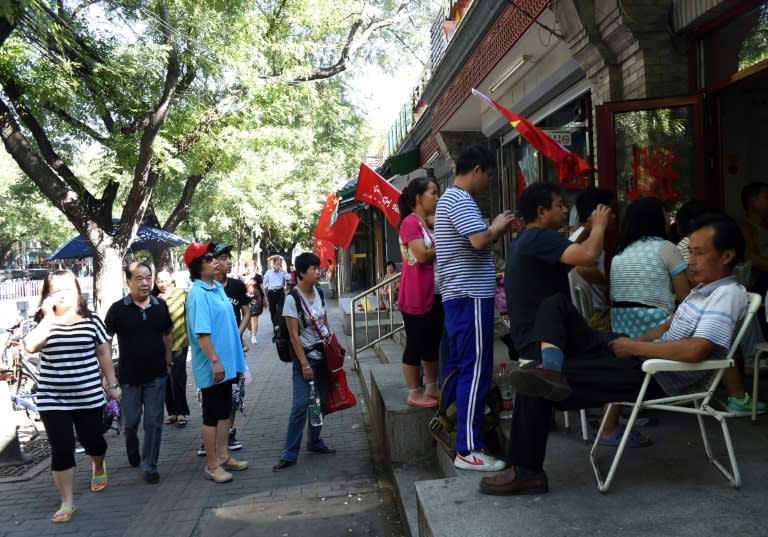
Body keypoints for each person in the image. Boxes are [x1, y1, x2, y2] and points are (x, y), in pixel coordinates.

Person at [480, 213, 749, 495]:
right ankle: (552, 367)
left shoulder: (727, 294)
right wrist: (629, 342)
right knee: (555, 303)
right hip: (641, 358)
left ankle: (527, 471)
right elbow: (666, 326)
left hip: (655, 376)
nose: (691, 260)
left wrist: (636, 348)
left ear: (727, 255)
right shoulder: (701, 291)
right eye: (690, 252)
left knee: (531, 380)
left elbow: (697, 349)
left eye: (700, 253)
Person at [505, 183, 630, 445]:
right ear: (541, 211)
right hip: (546, 340)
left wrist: (586, 228)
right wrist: (598, 226)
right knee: (621, 351)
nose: (565, 210)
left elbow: (570, 253)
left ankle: (609, 422)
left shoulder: (524, 242)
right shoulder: (541, 237)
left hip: (532, 337)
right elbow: (586, 256)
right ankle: (609, 425)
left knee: (619, 343)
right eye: (559, 205)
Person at [434, 145, 516, 472]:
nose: (488, 183)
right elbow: (479, 241)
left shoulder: (449, 200)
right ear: (478, 169)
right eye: (490, 176)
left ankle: (461, 436)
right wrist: (497, 225)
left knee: (464, 367)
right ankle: (468, 448)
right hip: (469, 296)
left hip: (461, 296)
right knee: (476, 370)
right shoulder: (458, 199)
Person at [22, 270, 120, 524]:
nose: (62, 294)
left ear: (77, 290)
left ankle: (98, 465)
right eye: (56, 290)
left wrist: (112, 384)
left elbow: (104, 354)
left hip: (87, 395)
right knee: (62, 449)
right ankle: (67, 501)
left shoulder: (92, 320)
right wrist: (48, 317)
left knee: (93, 442)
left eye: (67, 288)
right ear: (47, 294)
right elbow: (30, 346)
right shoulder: (44, 322)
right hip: (52, 397)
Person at [184, 242, 249, 483]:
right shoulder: (198, 294)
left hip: (227, 363)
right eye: (209, 258)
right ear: (198, 266)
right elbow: (202, 334)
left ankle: (223, 456)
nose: (215, 261)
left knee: (224, 412)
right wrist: (215, 361)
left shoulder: (216, 288)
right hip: (214, 366)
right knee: (211, 414)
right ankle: (212, 465)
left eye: (214, 257)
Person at [104, 261, 173, 485]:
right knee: (131, 423)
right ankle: (131, 448)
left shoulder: (160, 306)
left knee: (154, 422)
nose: (145, 283)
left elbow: (167, 335)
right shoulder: (117, 309)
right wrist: (108, 377)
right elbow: (105, 342)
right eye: (139, 279)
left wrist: (169, 362)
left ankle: (150, 465)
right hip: (129, 378)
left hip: (156, 376)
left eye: (148, 278)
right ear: (128, 281)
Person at [273, 253, 336, 471]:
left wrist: (332, 347)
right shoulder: (292, 299)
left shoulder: (319, 292)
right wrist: (304, 364)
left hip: (323, 357)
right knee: (300, 405)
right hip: (306, 359)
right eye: (314, 269)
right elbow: (294, 335)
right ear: (301, 273)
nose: (319, 272)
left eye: (319, 268)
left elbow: (324, 321)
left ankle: (315, 441)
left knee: (319, 402)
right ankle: (289, 453)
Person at [610, 197, 690, 339]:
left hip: (620, 328)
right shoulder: (667, 248)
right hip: (657, 330)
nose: (668, 219)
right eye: (665, 214)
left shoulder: (619, 253)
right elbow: (685, 298)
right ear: (656, 219)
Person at [397, 177, 442, 407]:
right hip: (415, 293)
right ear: (418, 198)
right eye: (432, 193)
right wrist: (445, 242)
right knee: (415, 343)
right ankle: (414, 392)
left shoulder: (424, 222)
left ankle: (432, 386)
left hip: (434, 291)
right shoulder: (410, 223)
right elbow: (423, 255)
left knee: (432, 340)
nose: (436, 197)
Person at [208, 243, 250, 453]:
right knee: (211, 395)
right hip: (212, 353)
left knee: (234, 394)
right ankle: (212, 435)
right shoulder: (205, 289)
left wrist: (237, 335)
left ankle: (229, 432)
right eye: (223, 257)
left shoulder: (236, 285)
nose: (228, 261)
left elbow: (247, 312)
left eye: (229, 257)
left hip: (234, 350)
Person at [568, 187, 613, 312]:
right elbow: (583, 268)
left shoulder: (578, 235)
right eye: (610, 211)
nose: (614, 216)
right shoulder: (590, 238)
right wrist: (611, 283)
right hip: (593, 312)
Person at [154, 270, 190, 427]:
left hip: (180, 342)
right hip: (160, 346)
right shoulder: (154, 299)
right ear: (156, 283)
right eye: (160, 281)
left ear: (172, 280)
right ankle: (172, 412)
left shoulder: (181, 294)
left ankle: (182, 411)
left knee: (179, 377)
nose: (163, 284)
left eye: (165, 280)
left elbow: (190, 314)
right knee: (166, 379)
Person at [738, 182, 768, 296]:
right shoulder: (745, 228)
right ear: (753, 201)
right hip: (760, 282)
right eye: (766, 197)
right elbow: (752, 259)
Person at [264, 255, 289, 326]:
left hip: (280, 292)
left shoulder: (282, 272)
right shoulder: (269, 272)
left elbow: (289, 278)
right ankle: (275, 325)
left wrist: (283, 271)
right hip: (272, 293)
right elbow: (264, 283)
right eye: (277, 264)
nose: (278, 266)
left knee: (281, 310)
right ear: (273, 264)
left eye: (279, 264)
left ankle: (278, 324)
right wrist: (265, 295)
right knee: (272, 310)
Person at [247, 273, 267, 344]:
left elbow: (262, 288)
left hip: (257, 299)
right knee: (247, 320)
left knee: (254, 318)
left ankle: (253, 336)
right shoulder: (241, 276)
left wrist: (265, 299)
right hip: (246, 300)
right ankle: (251, 331)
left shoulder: (258, 276)